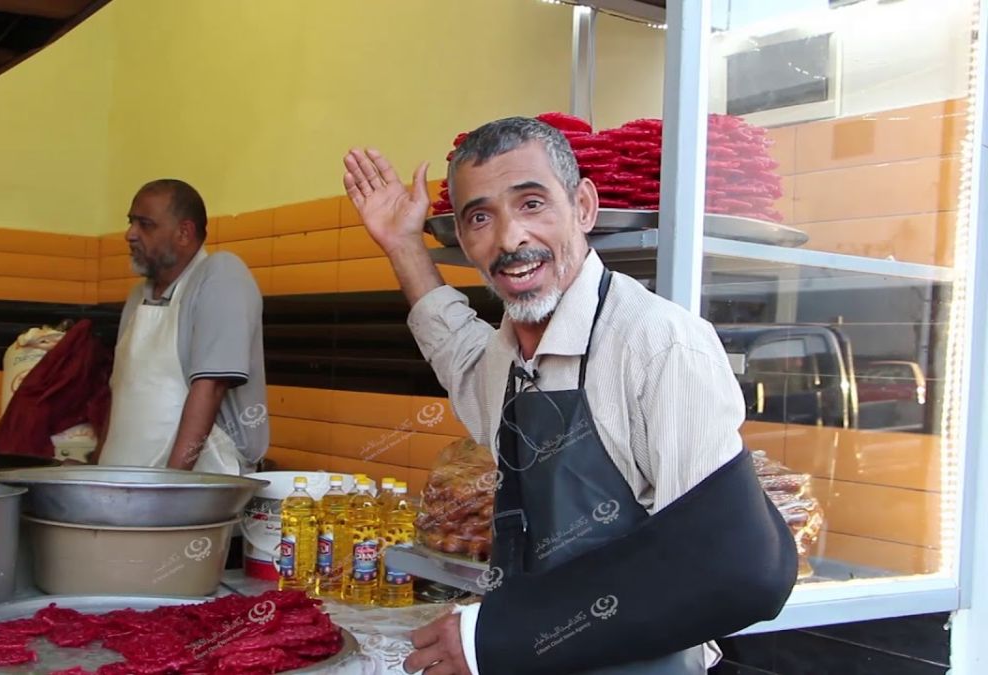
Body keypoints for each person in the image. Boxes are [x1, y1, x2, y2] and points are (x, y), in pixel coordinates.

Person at [342, 118, 796, 675]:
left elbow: (730, 566)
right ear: (463, 238)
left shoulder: (658, 343)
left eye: (532, 204)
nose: (510, 239)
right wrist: (404, 245)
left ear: (583, 206)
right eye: (480, 217)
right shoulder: (506, 363)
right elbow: (457, 350)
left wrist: (496, 640)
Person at [96, 179, 268, 475]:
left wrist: (172, 486)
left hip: (195, 488)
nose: (130, 234)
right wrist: (95, 472)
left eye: (145, 224)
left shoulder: (221, 276)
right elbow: (120, 393)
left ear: (184, 233)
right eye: (131, 222)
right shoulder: (138, 296)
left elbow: (210, 387)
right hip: (122, 490)